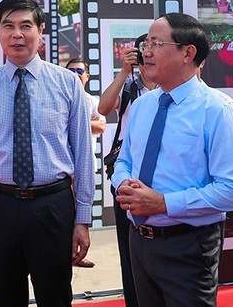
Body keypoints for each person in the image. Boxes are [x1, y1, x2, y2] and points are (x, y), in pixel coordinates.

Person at [0, 0, 94, 306]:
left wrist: (82, 219)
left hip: (53, 207)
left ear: (40, 31)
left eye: (26, 26)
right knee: (5, 298)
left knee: (55, 297)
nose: (17, 34)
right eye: (9, 26)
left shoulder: (68, 85)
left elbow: (84, 155)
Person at [113, 13, 233, 307]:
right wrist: (123, 182)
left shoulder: (217, 109)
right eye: (146, 43)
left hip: (189, 244)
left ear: (188, 53)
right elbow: (123, 161)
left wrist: (163, 203)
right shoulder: (142, 106)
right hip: (139, 239)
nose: (145, 51)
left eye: (156, 43)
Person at [97, 33, 156, 307]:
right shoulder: (130, 88)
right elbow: (103, 107)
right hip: (126, 174)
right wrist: (124, 72)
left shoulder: (171, 88)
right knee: (129, 247)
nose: (148, 58)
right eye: (143, 52)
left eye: (154, 49)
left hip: (158, 177)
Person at [65, 57, 106, 268]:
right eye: (70, 70)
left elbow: (102, 127)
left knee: (82, 213)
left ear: (87, 76)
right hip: (63, 169)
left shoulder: (92, 100)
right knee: (66, 214)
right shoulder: (60, 98)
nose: (75, 74)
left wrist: (74, 123)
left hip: (86, 165)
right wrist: (86, 124)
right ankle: (66, 253)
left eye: (79, 70)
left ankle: (78, 252)